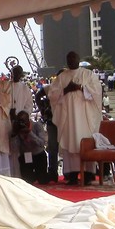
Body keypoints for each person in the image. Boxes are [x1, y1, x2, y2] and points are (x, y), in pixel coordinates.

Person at [48, 51, 102, 185]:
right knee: (70, 140)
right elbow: (52, 94)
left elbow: (97, 92)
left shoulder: (88, 74)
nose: (71, 60)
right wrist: (66, 90)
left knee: (85, 141)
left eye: (73, 57)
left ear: (78, 59)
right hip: (69, 118)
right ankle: (72, 174)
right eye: (69, 58)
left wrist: (80, 88)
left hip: (85, 116)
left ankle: (89, 174)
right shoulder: (61, 77)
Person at [9, 110, 49, 184]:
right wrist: (14, 134)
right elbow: (14, 148)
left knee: (43, 181)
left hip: (38, 155)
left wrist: (30, 133)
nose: (22, 124)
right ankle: (33, 175)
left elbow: (42, 143)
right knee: (28, 181)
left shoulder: (37, 125)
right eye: (20, 121)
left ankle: (43, 174)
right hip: (25, 156)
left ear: (28, 120)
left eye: (23, 121)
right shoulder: (17, 128)